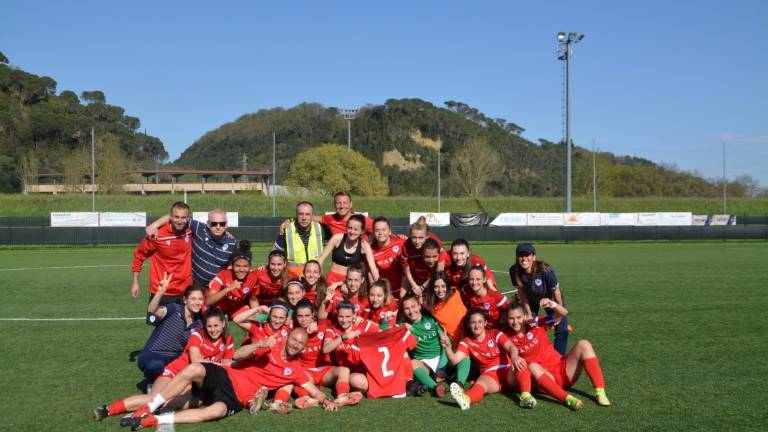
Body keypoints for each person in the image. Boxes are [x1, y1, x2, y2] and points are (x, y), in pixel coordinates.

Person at [124, 328, 340, 430]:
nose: (296, 344)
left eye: (300, 343)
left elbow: (313, 389)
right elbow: (237, 355)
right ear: (289, 337)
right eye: (294, 339)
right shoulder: (269, 346)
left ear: (303, 347)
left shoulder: (295, 368)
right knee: (194, 368)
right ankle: (149, 407)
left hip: (235, 397)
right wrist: (259, 345)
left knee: (214, 412)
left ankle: (156, 420)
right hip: (227, 375)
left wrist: (325, 400)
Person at [94, 308, 233, 421]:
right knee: (154, 398)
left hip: (194, 382)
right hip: (176, 372)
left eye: (216, 325)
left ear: (223, 324)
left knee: (192, 401)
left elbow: (226, 365)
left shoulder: (228, 340)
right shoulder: (197, 335)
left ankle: (147, 416)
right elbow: (196, 360)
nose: (213, 330)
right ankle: (108, 409)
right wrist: (217, 364)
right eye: (209, 326)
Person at [504, 298, 610, 409]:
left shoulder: (537, 323)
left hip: (563, 370)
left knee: (584, 344)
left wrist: (552, 304)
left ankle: (600, 392)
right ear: (507, 319)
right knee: (533, 366)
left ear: (525, 316)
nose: (515, 322)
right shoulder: (506, 338)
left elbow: (563, 313)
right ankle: (567, 398)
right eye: (511, 318)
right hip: (545, 378)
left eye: (518, 317)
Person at [440, 309, 534, 410]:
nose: (477, 326)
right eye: (473, 322)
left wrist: (515, 357)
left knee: (521, 364)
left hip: (508, 371)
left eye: (480, 322)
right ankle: (465, 399)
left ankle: (526, 397)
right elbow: (454, 360)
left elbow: (511, 347)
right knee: (480, 385)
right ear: (468, 324)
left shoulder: (494, 333)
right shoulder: (467, 341)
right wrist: (447, 347)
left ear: (485, 323)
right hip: (490, 375)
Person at [291, 299, 362, 408]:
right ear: (296, 317)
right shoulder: (293, 331)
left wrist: (357, 319)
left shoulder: (324, 324)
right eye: (300, 316)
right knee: (297, 379)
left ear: (313, 315)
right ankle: (306, 399)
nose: (304, 319)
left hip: (325, 371)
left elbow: (341, 322)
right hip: (306, 371)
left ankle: (342, 396)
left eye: (307, 315)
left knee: (344, 369)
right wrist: (304, 332)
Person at [136, 275, 204, 385]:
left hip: (175, 358)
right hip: (154, 354)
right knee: (156, 366)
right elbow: (152, 310)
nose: (197, 302)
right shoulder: (174, 309)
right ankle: (152, 383)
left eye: (200, 299)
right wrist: (160, 291)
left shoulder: (199, 323)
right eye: (193, 299)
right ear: (185, 300)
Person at [131, 201, 193, 320]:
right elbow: (139, 255)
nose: (180, 221)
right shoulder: (157, 235)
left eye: (183, 217)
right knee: (160, 333)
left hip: (184, 292)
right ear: (170, 217)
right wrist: (135, 282)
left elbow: (211, 229)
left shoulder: (190, 231)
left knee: (184, 331)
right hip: (161, 291)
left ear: (188, 218)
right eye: (176, 217)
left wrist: (225, 233)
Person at [146, 208, 236, 289]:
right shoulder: (200, 229)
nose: (218, 227)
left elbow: (232, 266)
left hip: (216, 288)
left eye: (222, 224)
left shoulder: (232, 243)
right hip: (195, 286)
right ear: (208, 224)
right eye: (214, 223)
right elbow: (176, 217)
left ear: (226, 225)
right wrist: (154, 225)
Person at [509, 243, 570, 355]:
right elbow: (522, 293)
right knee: (528, 325)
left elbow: (556, 291)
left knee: (562, 329)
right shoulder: (514, 271)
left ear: (533, 257)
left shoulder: (545, 271)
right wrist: (528, 312)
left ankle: (559, 358)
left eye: (527, 255)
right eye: (520, 255)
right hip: (531, 300)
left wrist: (558, 310)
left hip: (550, 299)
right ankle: (531, 356)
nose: (524, 258)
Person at [421, 272, 471, 388]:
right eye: (436, 287)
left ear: (448, 286)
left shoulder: (456, 294)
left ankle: (459, 383)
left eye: (443, 286)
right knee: (439, 376)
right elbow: (412, 298)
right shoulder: (430, 304)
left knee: (465, 357)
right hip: (450, 344)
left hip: (467, 339)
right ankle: (448, 371)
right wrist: (422, 287)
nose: (440, 290)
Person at [322, 301, 380, 392]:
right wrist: (342, 337)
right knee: (358, 382)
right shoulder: (332, 330)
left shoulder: (363, 326)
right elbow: (325, 349)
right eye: (341, 316)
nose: (344, 320)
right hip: (348, 372)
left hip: (366, 369)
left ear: (354, 315)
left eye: (348, 316)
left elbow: (383, 335)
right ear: (337, 316)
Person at [399, 293, 446, 396]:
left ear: (419, 306)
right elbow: (386, 330)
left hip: (439, 359)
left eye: (413, 306)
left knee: (443, 373)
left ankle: (445, 374)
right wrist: (400, 326)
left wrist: (441, 366)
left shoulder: (430, 319)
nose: (411, 311)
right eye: (407, 309)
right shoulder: (405, 326)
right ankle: (435, 387)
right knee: (413, 363)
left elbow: (444, 338)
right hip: (423, 362)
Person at [273, 201, 330, 279]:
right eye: (301, 214)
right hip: (293, 278)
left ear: (312, 216)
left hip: (315, 276)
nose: (304, 218)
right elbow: (274, 252)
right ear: (296, 215)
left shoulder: (320, 228)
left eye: (307, 214)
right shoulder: (287, 229)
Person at [318, 214, 379, 285]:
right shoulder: (337, 238)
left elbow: (373, 268)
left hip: (352, 282)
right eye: (350, 228)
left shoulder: (364, 245)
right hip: (333, 279)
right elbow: (320, 260)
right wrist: (321, 281)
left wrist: (380, 285)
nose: (352, 232)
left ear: (362, 231)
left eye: (356, 229)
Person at [206, 240, 259, 318]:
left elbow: (253, 299)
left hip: (237, 308)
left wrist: (259, 320)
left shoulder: (253, 278)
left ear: (249, 266)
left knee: (253, 323)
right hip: (219, 308)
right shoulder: (223, 275)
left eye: (245, 266)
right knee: (216, 325)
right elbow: (208, 301)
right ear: (232, 266)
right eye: (237, 266)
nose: (241, 269)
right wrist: (229, 288)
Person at [460, 265, 509, 329]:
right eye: (471, 279)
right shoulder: (465, 291)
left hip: (495, 331)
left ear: (484, 279)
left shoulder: (496, 297)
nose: (474, 282)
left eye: (478, 279)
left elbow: (511, 310)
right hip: (477, 330)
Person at [370, 216, 406, 297]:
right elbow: (372, 277)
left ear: (389, 231)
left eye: (383, 229)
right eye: (377, 230)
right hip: (385, 293)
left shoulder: (401, 242)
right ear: (373, 232)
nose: (380, 233)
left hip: (404, 291)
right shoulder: (371, 252)